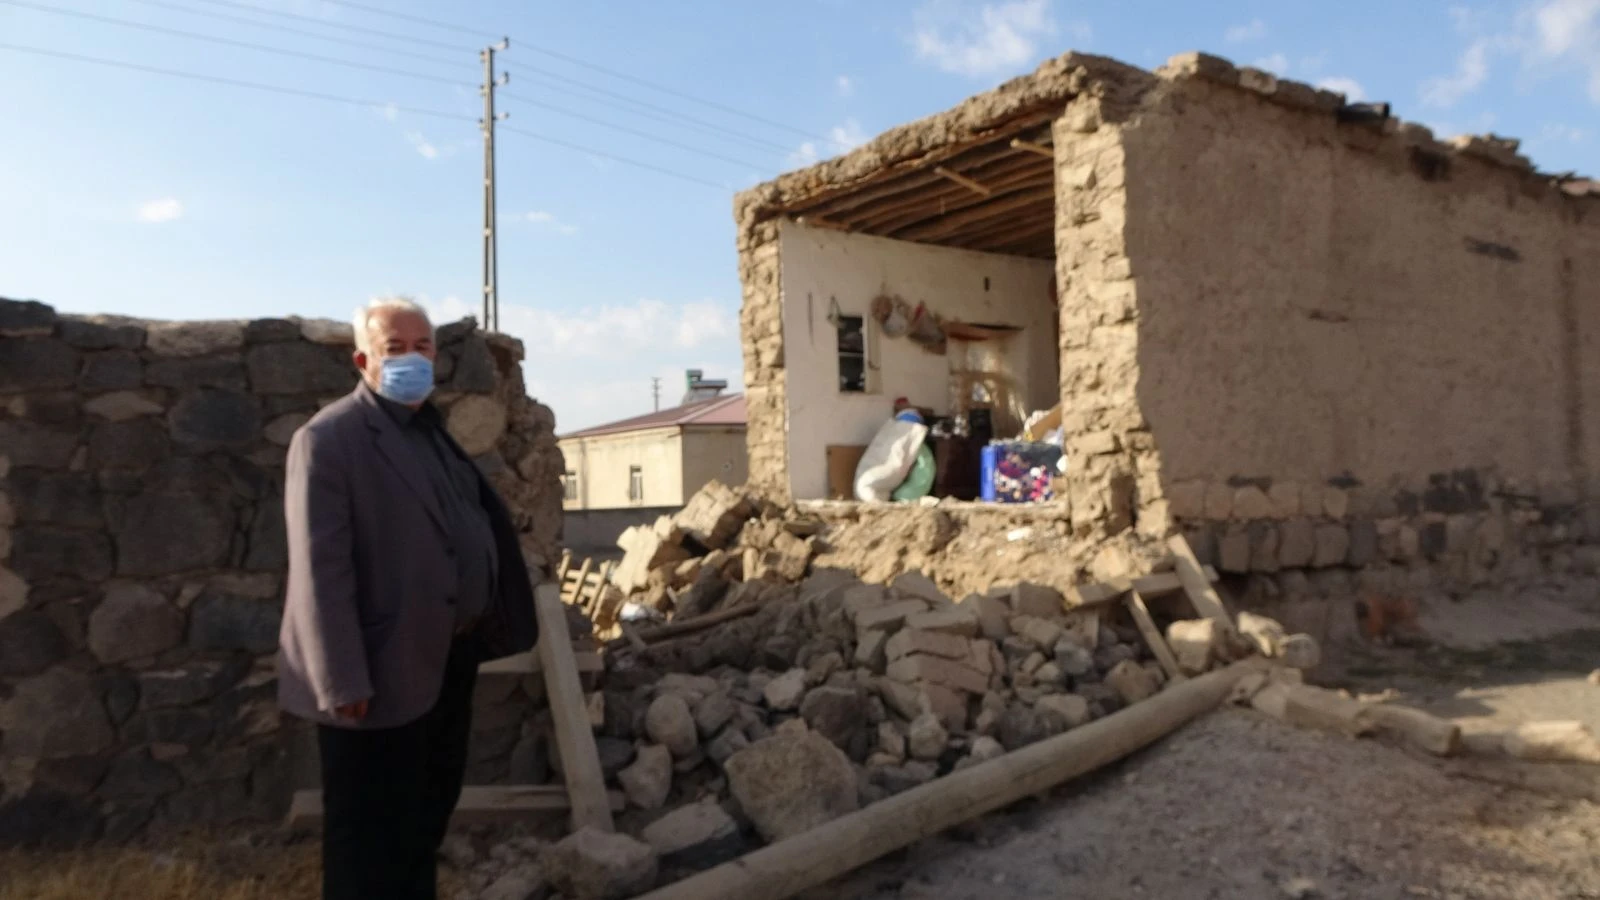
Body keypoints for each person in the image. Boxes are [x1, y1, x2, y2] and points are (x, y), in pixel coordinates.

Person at [277, 297, 538, 900]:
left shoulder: (430, 432)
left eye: (423, 347)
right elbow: (321, 570)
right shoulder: (329, 439)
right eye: (395, 348)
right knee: (367, 834)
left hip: (445, 661)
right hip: (373, 673)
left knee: (424, 817)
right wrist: (341, 680)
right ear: (363, 360)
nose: (413, 359)